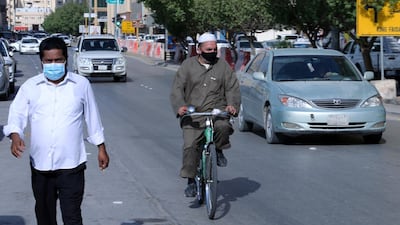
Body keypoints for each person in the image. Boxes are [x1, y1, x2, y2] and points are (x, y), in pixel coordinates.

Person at [3, 37, 109, 225]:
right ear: (42, 61)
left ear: (66, 59)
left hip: (72, 165)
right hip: (41, 165)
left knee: (72, 216)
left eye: (58, 60)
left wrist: (101, 147)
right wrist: (15, 135)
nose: (54, 64)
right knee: (44, 216)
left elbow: (92, 117)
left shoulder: (81, 84)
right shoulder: (31, 86)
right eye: (48, 61)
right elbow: (17, 114)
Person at [170, 32, 241, 197]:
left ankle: (219, 150)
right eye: (208, 49)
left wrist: (232, 105)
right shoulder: (188, 66)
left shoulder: (223, 66)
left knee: (223, 127)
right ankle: (190, 181)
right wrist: (180, 107)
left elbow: (232, 88)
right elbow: (177, 88)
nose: (212, 52)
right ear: (199, 49)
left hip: (217, 111)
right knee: (190, 145)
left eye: (214, 49)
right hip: (194, 114)